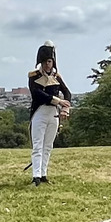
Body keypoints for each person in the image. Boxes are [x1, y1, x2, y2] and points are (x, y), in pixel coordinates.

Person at [28, 43, 72, 184]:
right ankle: (36, 175)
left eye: (49, 61)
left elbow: (67, 93)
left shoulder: (56, 77)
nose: (47, 65)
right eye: (45, 61)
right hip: (40, 113)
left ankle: (43, 173)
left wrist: (65, 108)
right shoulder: (33, 76)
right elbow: (37, 94)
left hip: (53, 114)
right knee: (37, 145)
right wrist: (58, 101)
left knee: (48, 145)